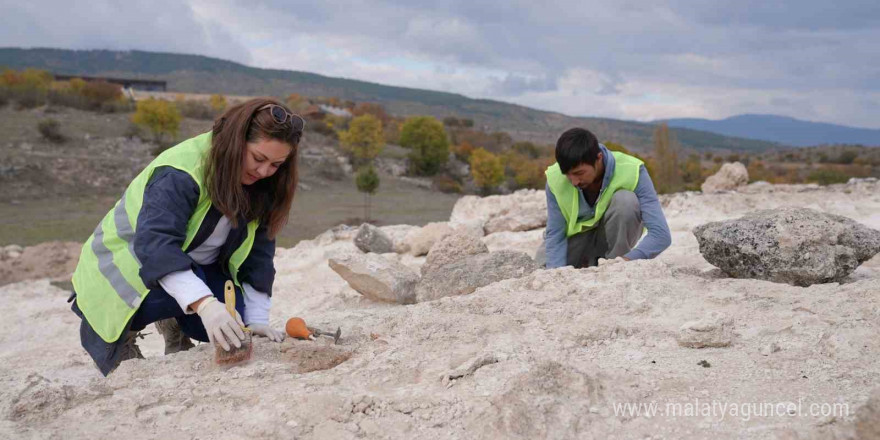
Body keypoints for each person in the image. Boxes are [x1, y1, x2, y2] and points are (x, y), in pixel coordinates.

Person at [69, 97, 303, 376]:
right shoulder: (181, 172)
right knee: (206, 306)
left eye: (276, 165)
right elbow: (157, 247)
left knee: (233, 320)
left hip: (191, 267)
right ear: (236, 141)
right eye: (258, 158)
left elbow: (259, 254)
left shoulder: (263, 185)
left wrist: (256, 319)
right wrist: (204, 305)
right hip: (126, 271)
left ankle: (177, 321)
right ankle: (128, 332)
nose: (264, 172)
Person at [536, 127, 671, 269]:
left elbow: (660, 235)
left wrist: (627, 261)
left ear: (598, 158)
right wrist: (555, 274)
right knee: (540, 270)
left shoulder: (633, 171)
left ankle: (613, 267)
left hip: (611, 249)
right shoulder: (555, 178)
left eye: (579, 173)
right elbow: (555, 235)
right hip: (573, 244)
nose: (574, 182)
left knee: (626, 201)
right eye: (568, 175)